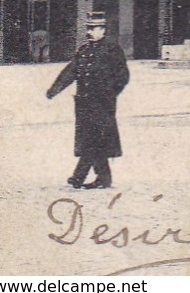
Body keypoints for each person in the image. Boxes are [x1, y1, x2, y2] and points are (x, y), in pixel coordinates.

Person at [46, 12, 129, 190]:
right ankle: (104, 179)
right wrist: (55, 89)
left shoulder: (112, 49)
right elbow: (70, 71)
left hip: (102, 104)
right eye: (88, 28)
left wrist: (110, 94)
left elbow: (123, 76)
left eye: (93, 28)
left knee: (93, 139)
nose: (89, 32)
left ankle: (78, 176)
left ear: (103, 30)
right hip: (84, 103)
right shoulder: (84, 50)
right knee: (93, 140)